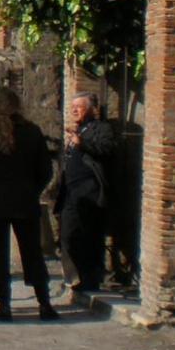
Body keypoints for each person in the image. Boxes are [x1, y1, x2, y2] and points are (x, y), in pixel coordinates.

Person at [0, 86, 59, 321]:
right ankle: (44, 303)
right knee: (33, 253)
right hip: (24, 201)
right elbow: (46, 170)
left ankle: (4, 306)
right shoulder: (32, 132)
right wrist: (32, 190)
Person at [54, 92, 115, 293]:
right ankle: (74, 276)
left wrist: (83, 144)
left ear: (91, 109)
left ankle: (90, 279)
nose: (74, 110)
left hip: (90, 192)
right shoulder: (78, 130)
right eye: (72, 107)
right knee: (68, 235)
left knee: (89, 236)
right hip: (71, 193)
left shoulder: (102, 129)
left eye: (79, 106)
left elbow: (107, 150)